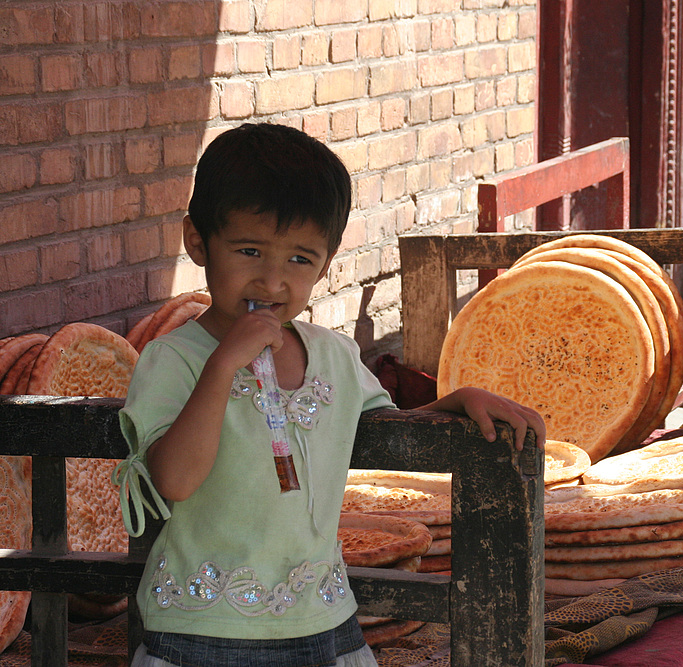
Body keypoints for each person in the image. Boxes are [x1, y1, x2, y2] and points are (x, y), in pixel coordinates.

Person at [113, 122, 545, 667]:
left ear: (327, 260)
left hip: (323, 621)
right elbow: (173, 480)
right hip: (202, 630)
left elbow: (376, 433)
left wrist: (454, 403)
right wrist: (222, 366)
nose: (272, 281)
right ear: (198, 242)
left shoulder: (335, 356)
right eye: (249, 250)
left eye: (299, 259)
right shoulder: (173, 359)